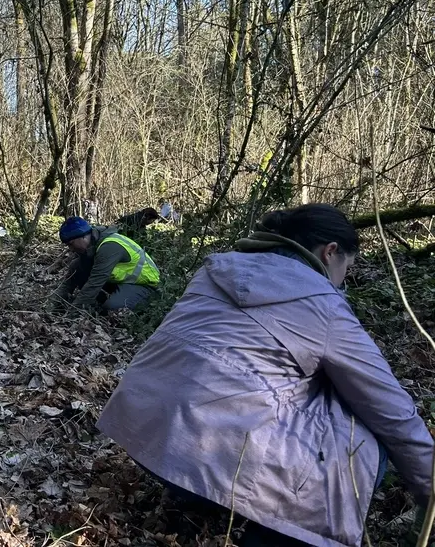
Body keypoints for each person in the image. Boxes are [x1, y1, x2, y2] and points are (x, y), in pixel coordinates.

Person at [96, 204, 433, 547]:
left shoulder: (214, 271)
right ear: (330, 252)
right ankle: (275, 532)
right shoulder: (323, 304)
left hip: (145, 436)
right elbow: (391, 411)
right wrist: (430, 492)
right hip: (212, 458)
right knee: (361, 441)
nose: (344, 276)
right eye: (348, 266)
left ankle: (204, 502)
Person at [53, 216, 159, 311]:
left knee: (112, 307)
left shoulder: (109, 247)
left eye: (71, 244)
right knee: (76, 266)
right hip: (122, 282)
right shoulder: (92, 246)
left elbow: (94, 284)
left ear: (83, 236)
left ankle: (145, 303)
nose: (71, 249)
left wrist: (72, 314)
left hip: (143, 285)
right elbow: (68, 282)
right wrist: (51, 307)